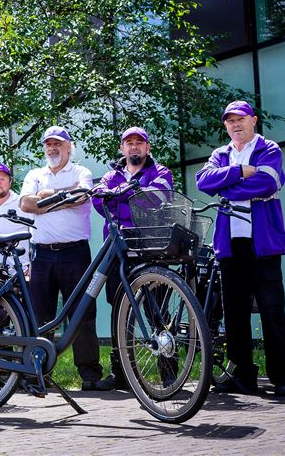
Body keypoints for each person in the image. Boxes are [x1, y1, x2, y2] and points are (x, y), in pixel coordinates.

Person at [196, 100, 285, 396]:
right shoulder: (220, 154)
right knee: (235, 314)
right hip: (229, 246)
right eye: (229, 121)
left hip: (263, 245)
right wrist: (239, 171)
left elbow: (267, 183)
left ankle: (281, 377)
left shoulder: (269, 149)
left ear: (253, 120)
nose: (235, 125)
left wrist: (224, 185)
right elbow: (202, 181)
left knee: (271, 310)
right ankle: (244, 376)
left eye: (240, 119)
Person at [19, 125, 111, 391]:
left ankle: (90, 376)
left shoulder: (82, 172)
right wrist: (62, 196)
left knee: (82, 313)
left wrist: (45, 198)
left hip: (75, 253)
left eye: (58, 143)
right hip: (42, 254)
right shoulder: (35, 174)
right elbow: (26, 204)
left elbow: (82, 196)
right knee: (39, 315)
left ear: (69, 147)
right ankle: (38, 373)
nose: (52, 148)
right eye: (48, 144)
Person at [91, 126, 173, 389]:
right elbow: (99, 201)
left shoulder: (161, 172)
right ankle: (122, 375)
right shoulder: (110, 175)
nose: (134, 147)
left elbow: (155, 200)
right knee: (120, 313)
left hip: (150, 249)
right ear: (122, 148)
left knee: (157, 314)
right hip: (117, 250)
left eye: (140, 142)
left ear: (147, 148)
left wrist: (119, 198)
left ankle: (169, 374)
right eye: (129, 143)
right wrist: (133, 193)